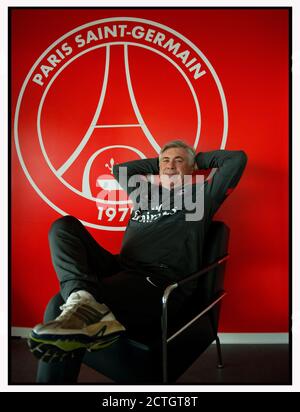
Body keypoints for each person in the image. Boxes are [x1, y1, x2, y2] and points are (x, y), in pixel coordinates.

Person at [28, 140, 247, 383]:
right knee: (63, 226)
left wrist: (195, 160)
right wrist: (162, 163)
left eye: (178, 161)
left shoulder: (203, 194)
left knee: (57, 303)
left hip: (157, 281)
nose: (170, 165)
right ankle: (82, 297)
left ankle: (80, 304)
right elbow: (121, 169)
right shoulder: (146, 193)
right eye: (165, 160)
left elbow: (236, 159)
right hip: (121, 266)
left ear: (193, 167)